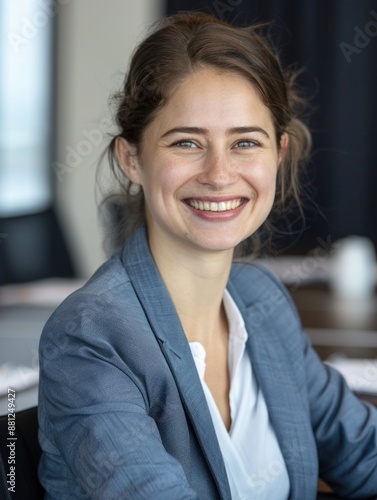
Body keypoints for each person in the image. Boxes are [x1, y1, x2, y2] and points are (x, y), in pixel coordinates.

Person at [38, 12, 377, 499]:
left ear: (278, 154)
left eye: (245, 143)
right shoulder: (91, 338)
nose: (219, 174)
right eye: (187, 143)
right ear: (131, 159)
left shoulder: (262, 302)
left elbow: (363, 451)